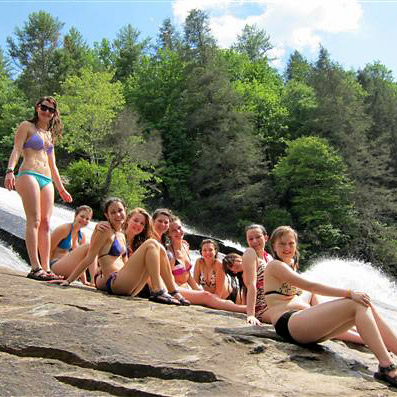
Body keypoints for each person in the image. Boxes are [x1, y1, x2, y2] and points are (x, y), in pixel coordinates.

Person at [264, 225, 397, 387]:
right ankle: (386, 365)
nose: (287, 248)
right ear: (273, 246)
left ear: (296, 245)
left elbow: (304, 294)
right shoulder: (274, 266)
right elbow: (311, 286)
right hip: (287, 324)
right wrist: (348, 292)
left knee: (363, 303)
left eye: (291, 243)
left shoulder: (291, 264)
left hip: (301, 325)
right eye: (282, 244)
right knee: (355, 303)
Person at [53, 198, 184, 305]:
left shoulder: (121, 235)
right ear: (107, 215)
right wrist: (69, 281)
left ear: (125, 211)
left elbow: (127, 263)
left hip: (129, 286)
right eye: (113, 212)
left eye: (120, 210)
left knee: (159, 247)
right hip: (114, 282)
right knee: (152, 243)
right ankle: (158, 291)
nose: (118, 215)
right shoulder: (103, 230)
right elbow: (89, 257)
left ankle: (172, 291)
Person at [4, 96, 72, 281]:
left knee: (46, 223)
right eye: (44, 107)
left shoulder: (49, 135)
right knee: (33, 220)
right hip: (28, 174)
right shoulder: (26, 126)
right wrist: (10, 171)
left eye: (51, 110)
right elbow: (17, 149)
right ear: (37, 107)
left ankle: (46, 268)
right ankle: (35, 267)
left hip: (46, 179)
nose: (46, 112)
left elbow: (53, 164)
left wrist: (61, 189)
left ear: (53, 114)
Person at [167, 216, 246, 313]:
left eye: (179, 228)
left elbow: (188, 277)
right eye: (173, 230)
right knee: (207, 296)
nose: (178, 232)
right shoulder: (169, 253)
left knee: (208, 296)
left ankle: (248, 310)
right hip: (176, 290)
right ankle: (246, 310)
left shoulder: (185, 246)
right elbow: (167, 280)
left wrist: (198, 291)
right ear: (168, 234)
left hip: (227, 293)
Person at [50, 205, 97, 285]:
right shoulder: (64, 229)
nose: (84, 220)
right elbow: (48, 251)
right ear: (75, 215)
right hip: (55, 266)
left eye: (87, 219)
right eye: (82, 216)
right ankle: (94, 280)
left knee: (94, 248)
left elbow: (84, 260)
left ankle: (94, 281)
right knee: (90, 246)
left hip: (69, 272)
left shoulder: (82, 236)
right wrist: (48, 272)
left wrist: (84, 281)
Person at [242, 224, 273, 325]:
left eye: (258, 237)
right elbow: (251, 285)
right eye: (251, 239)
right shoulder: (250, 253)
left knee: (312, 293)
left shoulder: (269, 258)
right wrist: (251, 315)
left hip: (276, 303)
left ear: (266, 238)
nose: (255, 241)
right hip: (262, 308)